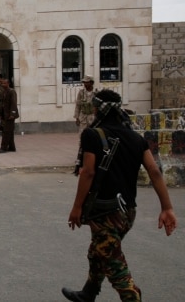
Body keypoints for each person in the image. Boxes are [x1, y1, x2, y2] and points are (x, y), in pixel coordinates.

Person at [63, 89, 177, 302]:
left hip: (106, 211)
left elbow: (88, 172)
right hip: (127, 212)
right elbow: (154, 171)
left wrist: (77, 207)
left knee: (114, 264)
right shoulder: (135, 138)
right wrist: (167, 207)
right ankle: (88, 293)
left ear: (97, 110)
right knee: (98, 252)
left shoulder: (92, 135)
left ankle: (132, 298)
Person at [0, 77, 18, 153]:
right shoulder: (4, 92)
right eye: (2, 83)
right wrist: (0, 113)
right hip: (5, 115)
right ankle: (12, 147)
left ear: (8, 84)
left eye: (4, 83)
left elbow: (13, 103)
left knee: (6, 132)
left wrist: (12, 114)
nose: (3, 84)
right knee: (10, 131)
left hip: (10, 115)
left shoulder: (12, 92)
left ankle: (3, 148)